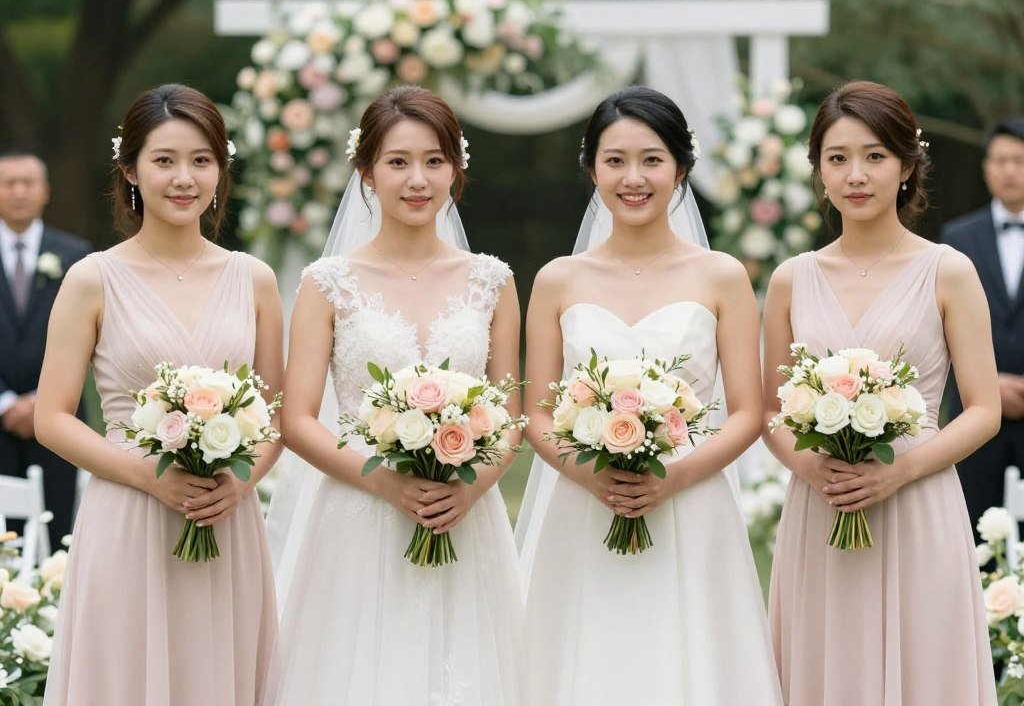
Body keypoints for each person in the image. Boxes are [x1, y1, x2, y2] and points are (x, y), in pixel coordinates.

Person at [515, 86, 782, 705]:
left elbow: (747, 411)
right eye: (614, 160)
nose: (633, 178)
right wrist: (589, 473)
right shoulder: (558, 279)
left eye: (652, 159)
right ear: (591, 169)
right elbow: (535, 411)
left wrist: (674, 476)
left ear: (681, 169)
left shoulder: (722, 276)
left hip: (691, 501)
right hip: (584, 501)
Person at [264, 85, 525, 705]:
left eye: (435, 161)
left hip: (464, 511)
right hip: (358, 509)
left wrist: (473, 484)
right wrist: (385, 480)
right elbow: (296, 419)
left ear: (455, 170)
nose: (417, 179)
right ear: (367, 171)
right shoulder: (326, 284)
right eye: (398, 162)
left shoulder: (493, 281)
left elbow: (511, 414)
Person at [35, 84, 282, 705]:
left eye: (202, 160)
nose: (184, 178)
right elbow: (52, 417)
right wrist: (151, 477)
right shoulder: (93, 278)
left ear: (221, 169)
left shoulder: (253, 278)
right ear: (130, 170)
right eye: (164, 160)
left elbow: (275, 414)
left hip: (227, 515)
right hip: (129, 514)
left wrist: (239, 483)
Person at [762, 80, 998, 705]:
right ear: (818, 170)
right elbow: (769, 410)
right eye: (837, 158)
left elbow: (983, 408)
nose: (856, 175)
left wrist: (901, 471)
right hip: (824, 503)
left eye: (874, 156)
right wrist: (810, 465)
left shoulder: (947, 270)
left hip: (917, 502)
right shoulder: (792, 279)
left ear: (906, 165)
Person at [0, 150, 90, 544]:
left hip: (59, 422)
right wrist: (6, 403)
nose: (19, 192)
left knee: (57, 539)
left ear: (45, 192)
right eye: (8, 183)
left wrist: (44, 399)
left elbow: (95, 338)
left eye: (28, 183)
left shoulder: (78, 257)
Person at [943, 116, 1024, 533]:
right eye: (999, 160)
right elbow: (940, 330)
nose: (1009, 170)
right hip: (974, 422)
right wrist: (991, 383)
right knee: (974, 542)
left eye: (1019, 160)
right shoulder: (957, 238)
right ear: (986, 167)